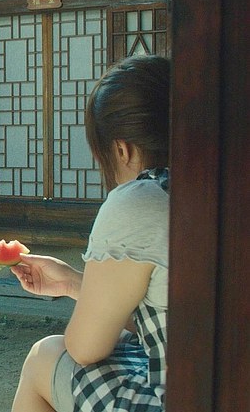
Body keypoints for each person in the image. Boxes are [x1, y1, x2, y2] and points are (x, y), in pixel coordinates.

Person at [10, 55, 170, 412]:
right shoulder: (220, 185)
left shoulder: (141, 199)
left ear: (122, 149)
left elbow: (85, 348)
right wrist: (72, 282)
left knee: (45, 357)